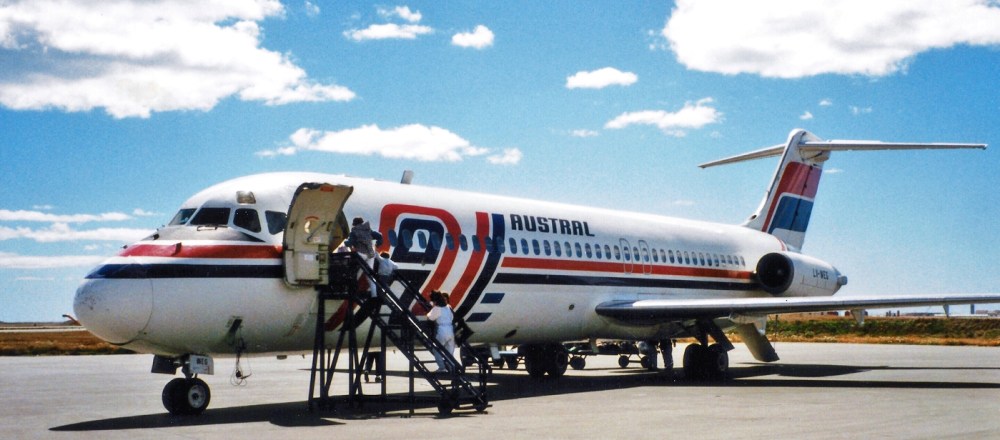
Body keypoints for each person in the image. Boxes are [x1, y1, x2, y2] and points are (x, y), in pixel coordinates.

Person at [426, 290, 456, 373]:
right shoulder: (448, 307)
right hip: (450, 330)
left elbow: (430, 317)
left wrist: (429, 313)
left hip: (442, 330)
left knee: (437, 350)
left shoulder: (437, 308)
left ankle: (442, 368)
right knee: (449, 352)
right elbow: (452, 317)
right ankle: (452, 367)